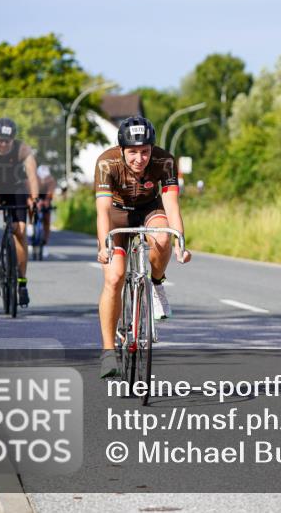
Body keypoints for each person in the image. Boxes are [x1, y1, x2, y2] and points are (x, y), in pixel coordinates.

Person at [95, 116, 191, 378]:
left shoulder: (165, 161)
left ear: (152, 148)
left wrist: (179, 242)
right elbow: (102, 211)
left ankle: (157, 285)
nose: (140, 159)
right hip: (116, 213)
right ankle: (107, 351)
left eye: (145, 151)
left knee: (162, 238)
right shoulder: (107, 162)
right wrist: (104, 245)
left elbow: (171, 205)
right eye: (133, 152)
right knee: (114, 278)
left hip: (149, 208)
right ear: (122, 150)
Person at [0, 118, 39, 305]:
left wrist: (34, 200)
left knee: (20, 231)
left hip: (15, 187)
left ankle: (21, 282)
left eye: (7, 141)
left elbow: (32, 176)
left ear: (13, 139)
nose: (3, 144)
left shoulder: (23, 150)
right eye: (0, 140)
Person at [36, 165, 57, 247]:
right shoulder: (35, 179)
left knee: (47, 218)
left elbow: (50, 193)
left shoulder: (51, 180)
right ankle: (31, 225)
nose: (43, 181)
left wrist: (47, 201)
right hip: (37, 196)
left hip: (46, 197)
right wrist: (36, 201)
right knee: (31, 208)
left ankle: (45, 240)